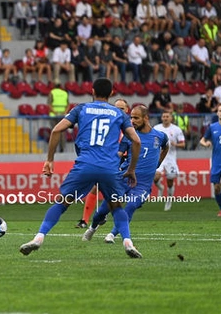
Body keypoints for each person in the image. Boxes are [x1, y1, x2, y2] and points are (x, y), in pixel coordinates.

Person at [19, 78, 143, 258]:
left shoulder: (81, 108)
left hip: (85, 164)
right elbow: (136, 141)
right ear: (110, 94)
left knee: (62, 202)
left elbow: (55, 131)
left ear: (92, 91)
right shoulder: (119, 114)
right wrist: (131, 169)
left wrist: (49, 160)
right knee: (116, 206)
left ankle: (38, 238)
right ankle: (127, 242)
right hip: (110, 167)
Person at [83, 105, 169, 244]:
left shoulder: (159, 136)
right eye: (131, 117)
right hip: (124, 179)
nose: (132, 120)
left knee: (131, 206)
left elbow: (166, 146)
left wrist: (158, 162)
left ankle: (112, 234)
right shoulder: (129, 136)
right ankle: (92, 228)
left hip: (142, 185)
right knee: (104, 209)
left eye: (136, 118)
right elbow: (118, 154)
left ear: (146, 118)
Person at [76, 98, 129, 228]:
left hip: (124, 162)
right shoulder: (110, 124)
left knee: (115, 193)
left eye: (122, 108)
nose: (119, 110)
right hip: (108, 160)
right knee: (96, 187)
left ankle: (104, 214)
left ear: (127, 110)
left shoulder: (129, 127)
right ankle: (85, 220)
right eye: (116, 108)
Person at [152, 110, 185, 211]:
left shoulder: (176, 129)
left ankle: (169, 201)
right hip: (159, 157)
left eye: (167, 116)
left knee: (170, 181)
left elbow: (183, 144)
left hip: (170, 158)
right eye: (164, 116)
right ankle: (161, 188)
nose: (165, 118)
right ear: (161, 118)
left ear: (171, 118)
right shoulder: (156, 128)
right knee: (155, 178)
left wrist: (175, 144)